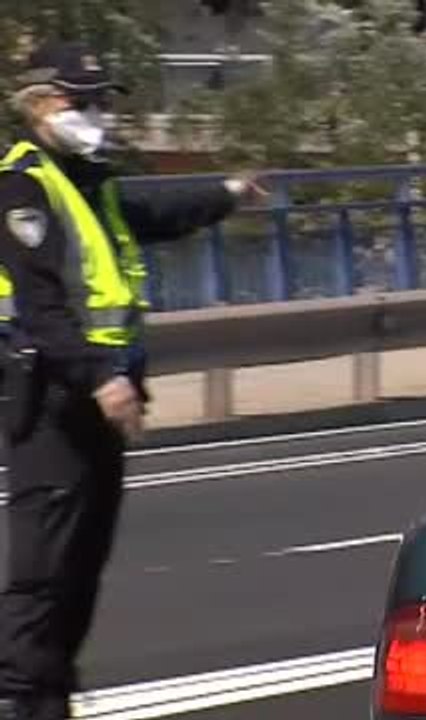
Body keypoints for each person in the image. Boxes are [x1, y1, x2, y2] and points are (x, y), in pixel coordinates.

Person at [0, 42, 262, 720]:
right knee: (43, 569)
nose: (96, 113)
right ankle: (24, 698)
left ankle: (52, 692)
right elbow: (41, 309)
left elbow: (152, 214)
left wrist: (225, 194)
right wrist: (101, 379)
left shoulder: (91, 181)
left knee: (84, 562)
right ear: (40, 104)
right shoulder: (22, 186)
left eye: (101, 100)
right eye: (82, 100)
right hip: (52, 399)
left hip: (102, 400)